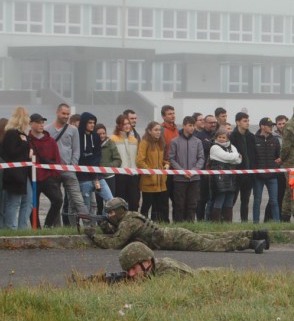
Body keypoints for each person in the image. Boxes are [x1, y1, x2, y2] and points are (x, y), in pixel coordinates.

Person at [86, 197, 269, 254]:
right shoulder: (129, 217)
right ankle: (255, 235)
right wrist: (105, 227)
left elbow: (115, 243)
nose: (109, 215)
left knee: (214, 245)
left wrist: (94, 236)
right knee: (214, 238)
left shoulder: (128, 222)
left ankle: (250, 243)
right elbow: (118, 235)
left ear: (119, 210)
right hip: (174, 234)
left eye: (111, 212)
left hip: (175, 239)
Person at [45, 103, 88, 226]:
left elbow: (76, 150)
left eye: (68, 114)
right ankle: (57, 228)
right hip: (53, 171)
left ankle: (87, 225)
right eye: (63, 113)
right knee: (56, 201)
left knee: (78, 199)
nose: (66, 116)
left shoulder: (73, 130)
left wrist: (72, 166)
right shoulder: (47, 130)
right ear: (57, 112)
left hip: (68, 170)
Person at [28, 113, 64, 228]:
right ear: (31, 124)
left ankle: (48, 226)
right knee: (33, 207)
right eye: (38, 122)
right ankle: (36, 230)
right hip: (32, 178)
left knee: (58, 200)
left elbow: (57, 159)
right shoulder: (26, 140)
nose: (41, 125)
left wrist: (54, 175)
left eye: (42, 122)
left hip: (48, 177)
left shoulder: (51, 141)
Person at [0, 107, 32, 230]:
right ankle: (11, 227)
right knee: (14, 202)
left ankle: (23, 227)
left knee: (28, 201)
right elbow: (11, 153)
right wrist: (24, 144)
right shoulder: (12, 133)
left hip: (24, 172)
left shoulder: (22, 135)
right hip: (15, 173)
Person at [169, 116, 205, 222]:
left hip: (194, 179)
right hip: (179, 179)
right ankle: (178, 226)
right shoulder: (175, 141)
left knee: (192, 204)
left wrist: (193, 171)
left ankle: (190, 225)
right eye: (190, 125)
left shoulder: (198, 142)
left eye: (193, 125)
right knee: (179, 204)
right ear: (184, 126)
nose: (192, 128)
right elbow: (171, 159)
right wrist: (182, 171)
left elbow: (201, 158)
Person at [77, 111, 113, 215]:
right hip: (83, 177)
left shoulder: (96, 137)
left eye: (93, 122)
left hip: (97, 176)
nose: (92, 125)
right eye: (90, 122)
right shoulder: (77, 136)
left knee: (110, 200)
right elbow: (79, 156)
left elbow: (97, 155)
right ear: (84, 123)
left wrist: (93, 169)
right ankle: (88, 227)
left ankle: (106, 221)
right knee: (86, 205)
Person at [137, 121, 168, 221]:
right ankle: (142, 225)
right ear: (149, 131)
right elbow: (139, 161)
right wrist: (150, 172)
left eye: (159, 130)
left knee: (159, 207)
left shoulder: (160, 143)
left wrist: (166, 164)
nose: (158, 132)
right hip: (149, 182)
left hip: (160, 183)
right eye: (156, 130)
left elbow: (161, 160)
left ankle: (156, 226)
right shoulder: (145, 142)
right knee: (146, 206)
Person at [208, 128, 241, 222]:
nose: (222, 139)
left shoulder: (232, 146)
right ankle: (216, 222)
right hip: (219, 179)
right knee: (219, 200)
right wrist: (236, 156)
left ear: (227, 138)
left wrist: (234, 157)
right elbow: (228, 157)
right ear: (216, 137)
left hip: (231, 178)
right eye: (220, 137)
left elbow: (239, 160)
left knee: (229, 201)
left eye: (224, 137)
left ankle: (228, 222)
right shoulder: (214, 147)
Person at [116, 242, 194, 281]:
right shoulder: (151, 268)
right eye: (128, 270)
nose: (131, 274)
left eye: (134, 268)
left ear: (148, 262)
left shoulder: (168, 273)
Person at [253, 117, 281, 223]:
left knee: (274, 201)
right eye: (269, 125)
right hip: (258, 176)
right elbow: (252, 158)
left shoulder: (275, 140)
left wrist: (276, 166)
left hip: (272, 176)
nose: (271, 127)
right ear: (262, 126)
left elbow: (278, 157)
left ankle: (277, 224)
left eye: (272, 125)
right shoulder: (254, 139)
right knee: (257, 201)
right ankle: (255, 223)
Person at [229, 110, 256, 222]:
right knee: (232, 200)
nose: (247, 123)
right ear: (238, 122)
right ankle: (227, 221)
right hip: (236, 174)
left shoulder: (251, 136)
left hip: (249, 174)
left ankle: (244, 222)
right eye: (245, 121)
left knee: (245, 201)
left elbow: (254, 154)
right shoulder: (232, 137)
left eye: (248, 121)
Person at [111, 113, 140, 211]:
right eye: (124, 124)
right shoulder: (113, 139)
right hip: (120, 175)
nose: (127, 126)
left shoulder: (134, 140)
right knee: (120, 203)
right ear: (119, 125)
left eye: (128, 123)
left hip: (133, 174)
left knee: (134, 202)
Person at [96, 123, 121, 215]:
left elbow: (118, 160)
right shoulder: (93, 145)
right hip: (97, 178)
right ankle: (99, 221)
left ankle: (109, 221)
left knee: (110, 202)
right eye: (99, 134)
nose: (102, 135)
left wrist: (108, 167)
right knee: (98, 203)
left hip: (109, 177)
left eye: (104, 133)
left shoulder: (110, 143)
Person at [160, 105, 179, 222]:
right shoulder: (161, 130)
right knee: (164, 198)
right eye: (169, 114)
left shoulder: (177, 130)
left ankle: (178, 221)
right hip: (165, 168)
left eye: (173, 113)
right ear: (163, 116)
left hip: (176, 169)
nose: (172, 116)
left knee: (177, 198)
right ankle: (164, 221)